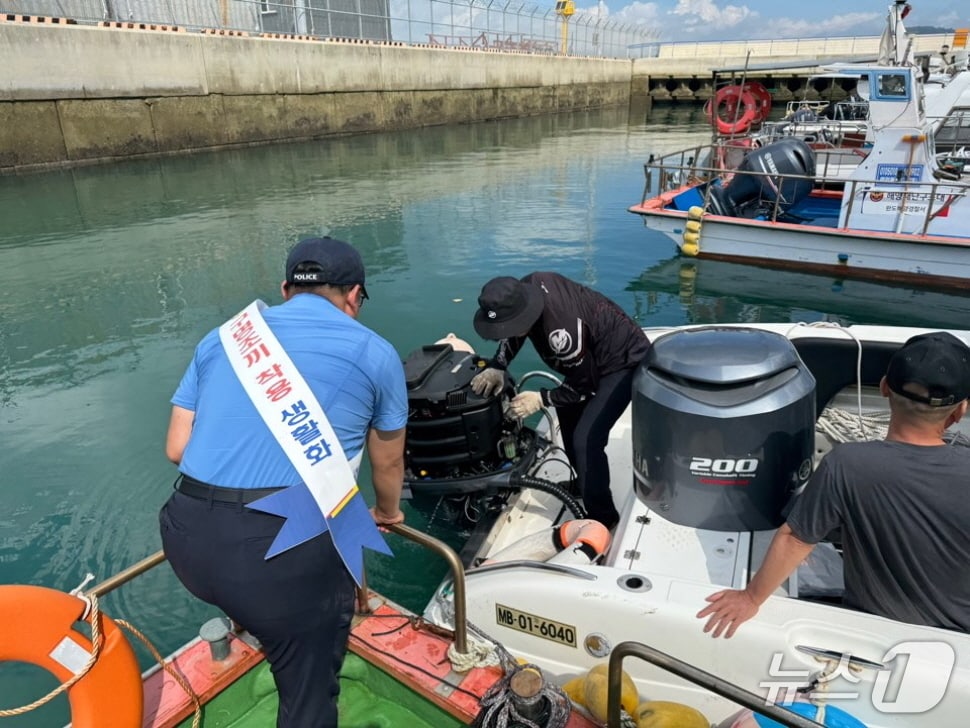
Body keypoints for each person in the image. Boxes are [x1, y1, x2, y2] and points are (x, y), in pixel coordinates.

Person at [159, 236, 408, 727]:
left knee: (263, 609)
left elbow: (175, 449)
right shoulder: (375, 352)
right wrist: (387, 514)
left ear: (285, 289)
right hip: (276, 560)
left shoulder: (223, 337)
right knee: (308, 695)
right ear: (355, 295)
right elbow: (389, 464)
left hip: (184, 538)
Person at [698, 332, 970, 638]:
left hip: (873, 633)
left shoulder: (847, 464)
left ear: (883, 388)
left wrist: (750, 598)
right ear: (961, 411)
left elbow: (795, 541)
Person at [470, 273, 651, 530]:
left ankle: (603, 518)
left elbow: (583, 385)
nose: (506, 332)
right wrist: (497, 366)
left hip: (621, 361)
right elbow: (513, 332)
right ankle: (584, 483)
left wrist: (541, 399)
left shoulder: (561, 331)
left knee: (586, 439)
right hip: (587, 355)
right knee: (567, 415)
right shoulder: (523, 290)